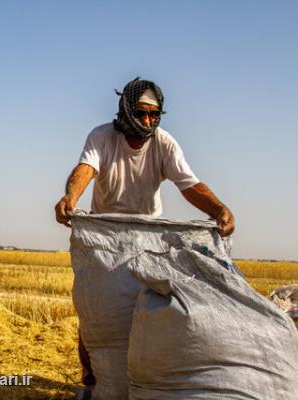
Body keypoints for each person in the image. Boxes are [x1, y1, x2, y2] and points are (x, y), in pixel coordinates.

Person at [54, 78, 235, 397]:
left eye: (154, 115)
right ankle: (93, 380)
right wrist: (71, 197)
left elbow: (188, 184)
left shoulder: (164, 143)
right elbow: (86, 168)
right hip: (104, 238)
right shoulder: (102, 136)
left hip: (147, 239)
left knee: (148, 309)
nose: (148, 121)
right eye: (142, 113)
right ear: (125, 110)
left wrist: (218, 209)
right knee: (95, 314)